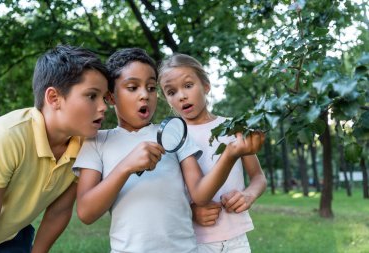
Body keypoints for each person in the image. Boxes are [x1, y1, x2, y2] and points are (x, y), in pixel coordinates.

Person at [73, 48, 264, 253]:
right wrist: (125, 167)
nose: (144, 95)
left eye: (151, 87)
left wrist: (230, 154)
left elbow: (200, 194)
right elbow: (86, 213)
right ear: (111, 97)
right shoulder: (97, 141)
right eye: (132, 87)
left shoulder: (174, 134)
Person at [0, 45, 110, 253]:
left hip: (10, 237)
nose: (103, 106)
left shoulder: (85, 146)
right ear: (54, 98)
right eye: (92, 96)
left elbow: (59, 211)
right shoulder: (7, 137)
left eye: (105, 98)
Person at [158, 53, 267, 253]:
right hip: (192, 241)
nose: (181, 96)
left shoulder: (233, 128)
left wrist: (248, 195)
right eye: (171, 91)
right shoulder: (170, 139)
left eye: (188, 85)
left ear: (206, 86)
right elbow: (164, 197)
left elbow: (258, 176)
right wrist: (190, 212)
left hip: (237, 240)